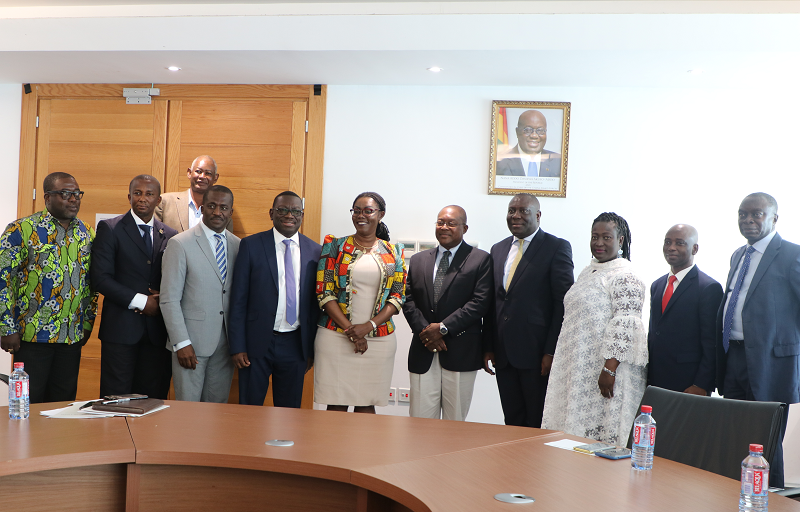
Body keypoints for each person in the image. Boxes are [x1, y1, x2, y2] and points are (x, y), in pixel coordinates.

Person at [542, 212, 647, 446]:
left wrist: (609, 370)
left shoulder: (625, 275)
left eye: (606, 237)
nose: (599, 243)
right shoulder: (588, 272)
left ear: (620, 241)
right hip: (580, 368)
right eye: (594, 236)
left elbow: (626, 326)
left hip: (608, 372)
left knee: (602, 435)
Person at [716, 192, 800, 488]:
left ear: (774, 218)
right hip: (735, 357)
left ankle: (769, 495)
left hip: (772, 362)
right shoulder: (739, 254)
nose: (748, 220)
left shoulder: (792, 254)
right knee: (736, 429)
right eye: (742, 214)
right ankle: (734, 490)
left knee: (765, 436)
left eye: (756, 214)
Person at [0, 172, 98, 403]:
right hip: (32, 337)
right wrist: (6, 327)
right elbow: (2, 281)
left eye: (77, 194)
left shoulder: (87, 233)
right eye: (66, 194)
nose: (73, 199)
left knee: (62, 406)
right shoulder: (21, 230)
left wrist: (87, 322)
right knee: (30, 405)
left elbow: (91, 283)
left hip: (71, 337)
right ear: (47, 197)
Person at [483, 193, 574, 428]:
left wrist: (551, 351)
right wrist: (489, 346)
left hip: (537, 355)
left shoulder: (556, 247)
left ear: (538, 215)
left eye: (523, 211)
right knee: (512, 420)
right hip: (503, 354)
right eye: (511, 210)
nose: (516, 215)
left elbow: (562, 304)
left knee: (537, 421)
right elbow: (493, 301)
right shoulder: (498, 249)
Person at [314, 192, 406, 413]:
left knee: (367, 406)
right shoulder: (334, 247)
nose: (360, 215)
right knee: (336, 404)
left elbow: (397, 296)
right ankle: (333, 449)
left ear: (380, 215)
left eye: (368, 210)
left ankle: (365, 449)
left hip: (379, 340)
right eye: (356, 210)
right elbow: (324, 293)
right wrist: (352, 331)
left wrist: (368, 327)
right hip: (335, 336)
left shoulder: (394, 252)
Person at [228, 191, 321, 407]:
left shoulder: (315, 251)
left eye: (295, 211)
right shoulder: (251, 245)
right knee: (249, 409)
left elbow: (315, 306)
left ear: (302, 215)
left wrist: (310, 350)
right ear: (271, 213)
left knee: (289, 411)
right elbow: (238, 299)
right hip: (255, 342)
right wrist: (238, 345)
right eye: (282, 210)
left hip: (295, 343)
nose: (289, 215)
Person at [91, 175, 177, 399]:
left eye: (149, 194)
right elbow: (101, 278)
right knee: (115, 400)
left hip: (157, 333)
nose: (143, 199)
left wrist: (163, 297)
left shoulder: (170, 235)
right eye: (137, 193)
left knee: (153, 400)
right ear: (129, 196)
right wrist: (141, 301)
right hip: (120, 331)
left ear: (158, 200)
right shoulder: (110, 228)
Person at [403, 205, 493, 421]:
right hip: (423, 350)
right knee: (420, 422)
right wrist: (426, 331)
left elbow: (479, 303)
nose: (444, 227)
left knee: (455, 425)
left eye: (451, 223)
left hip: (461, 351)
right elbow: (407, 299)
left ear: (465, 228)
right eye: (440, 222)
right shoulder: (418, 260)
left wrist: (443, 328)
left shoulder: (480, 259)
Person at [160, 185, 240, 402]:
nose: (217, 212)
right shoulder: (179, 243)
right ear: (202, 208)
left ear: (230, 212)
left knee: (216, 413)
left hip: (225, 347)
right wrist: (181, 343)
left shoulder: (238, 246)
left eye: (224, 207)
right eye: (212, 206)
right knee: (188, 414)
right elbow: (169, 300)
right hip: (190, 345)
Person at [648, 224, 722, 395]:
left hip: (688, 384)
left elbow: (712, 343)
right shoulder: (657, 285)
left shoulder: (708, 288)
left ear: (695, 248)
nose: (671, 247)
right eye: (667, 242)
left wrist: (702, 383)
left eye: (679, 243)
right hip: (655, 381)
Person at [155, 155, 233, 233]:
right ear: (189, 173)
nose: (202, 176)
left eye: (208, 173)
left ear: (215, 178)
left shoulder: (223, 212)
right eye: (198, 171)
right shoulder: (165, 202)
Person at [496, 110, 562, 177]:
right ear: (517, 132)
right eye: (528, 130)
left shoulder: (559, 162)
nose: (534, 135)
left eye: (540, 130)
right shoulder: (499, 162)